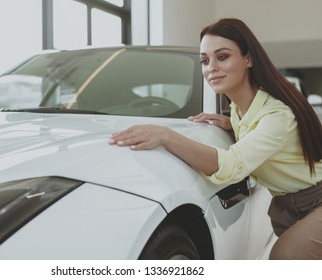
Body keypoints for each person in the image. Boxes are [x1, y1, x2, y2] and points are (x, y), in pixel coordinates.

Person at [108, 18, 322, 259]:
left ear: (248, 59)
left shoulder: (276, 114)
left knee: (285, 257)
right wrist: (232, 124)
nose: (211, 67)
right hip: (289, 206)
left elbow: (232, 166)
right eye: (204, 60)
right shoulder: (240, 109)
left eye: (222, 57)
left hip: (317, 200)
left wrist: (165, 135)